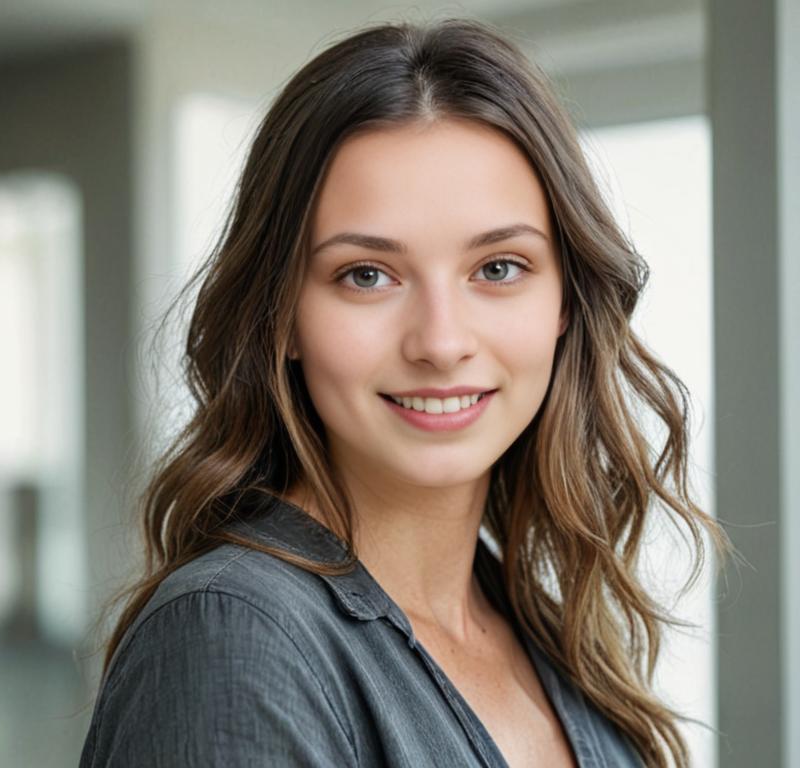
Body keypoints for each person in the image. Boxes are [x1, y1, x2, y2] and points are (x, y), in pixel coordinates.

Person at [78, 17, 733, 768]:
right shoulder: (234, 635)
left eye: (498, 268)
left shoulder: (541, 632)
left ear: (565, 301)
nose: (442, 341)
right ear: (281, 315)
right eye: (367, 275)